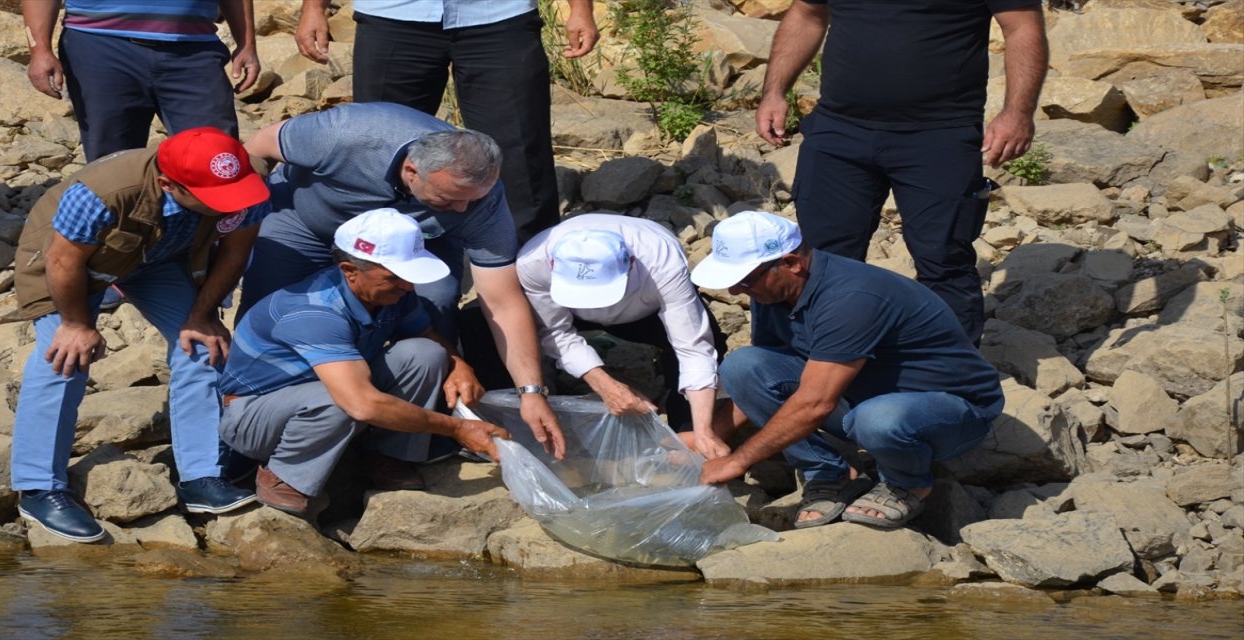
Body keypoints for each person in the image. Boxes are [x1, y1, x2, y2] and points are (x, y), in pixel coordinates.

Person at [240, 102, 563, 474]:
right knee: (269, 307)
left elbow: (503, 302)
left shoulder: (479, 200)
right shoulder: (345, 134)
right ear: (412, 171)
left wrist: (531, 393)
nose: (462, 211)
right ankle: (262, 427)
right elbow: (257, 146)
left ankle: (407, 439)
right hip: (307, 221)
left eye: (471, 201)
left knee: (435, 305)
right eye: (449, 199)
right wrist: (238, 227)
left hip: (414, 245)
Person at [10, 127, 271, 543]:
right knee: (64, 356)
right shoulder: (98, 193)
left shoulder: (242, 182)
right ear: (168, 184)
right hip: (76, 261)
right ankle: (39, 488)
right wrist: (78, 325)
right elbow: (63, 261)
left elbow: (236, 251)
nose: (229, 205)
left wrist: (202, 315)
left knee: (201, 345)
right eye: (213, 201)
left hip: (163, 257)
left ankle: (201, 478)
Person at [754, 0, 1048, 345]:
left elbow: (1022, 26)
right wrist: (774, 91)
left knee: (944, 259)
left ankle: (950, 383)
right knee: (819, 258)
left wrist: (1017, 112)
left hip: (939, 134)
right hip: (840, 129)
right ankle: (809, 369)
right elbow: (807, 14)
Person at [690, 211, 1005, 529]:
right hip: (857, 401)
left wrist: (739, 460)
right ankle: (831, 473)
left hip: (948, 411)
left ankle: (907, 483)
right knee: (743, 365)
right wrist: (710, 435)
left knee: (876, 419)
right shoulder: (771, 291)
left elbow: (815, 403)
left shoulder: (850, 297)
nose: (735, 292)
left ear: (791, 263)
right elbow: (764, 380)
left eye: (743, 280)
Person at [219, 209, 512, 516]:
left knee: (426, 353)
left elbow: (426, 334)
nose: (408, 286)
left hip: (326, 396)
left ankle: (388, 455)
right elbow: (361, 404)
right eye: (394, 277)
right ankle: (283, 475)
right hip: (252, 418)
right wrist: (457, 428)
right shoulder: (314, 313)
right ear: (350, 269)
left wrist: (458, 363)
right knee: (340, 399)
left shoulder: (389, 292)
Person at [293, 0, 599, 243]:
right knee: (377, 152)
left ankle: (533, 278)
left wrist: (580, 8)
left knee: (521, 157)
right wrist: (314, 8)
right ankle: (382, 269)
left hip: (501, 17)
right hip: (391, 16)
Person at [508, 214, 729, 459]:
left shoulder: (661, 259)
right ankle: (536, 425)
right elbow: (555, 332)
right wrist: (604, 384)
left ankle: (686, 437)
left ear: (632, 262)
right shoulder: (533, 261)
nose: (593, 303)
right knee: (503, 328)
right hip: (571, 313)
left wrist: (704, 431)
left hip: (646, 311)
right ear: (552, 266)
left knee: (712, 343)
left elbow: (692, 348)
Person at [22, 0, 260, 162]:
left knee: (215, 156)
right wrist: (39, 49)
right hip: (100, 46)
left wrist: (247, 43)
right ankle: (120, 234)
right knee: (112, 160)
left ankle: (209, 234)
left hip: (194, 49)